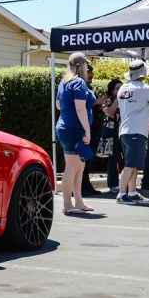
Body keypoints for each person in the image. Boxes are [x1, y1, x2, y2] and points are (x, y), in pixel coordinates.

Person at [114, 59, 149, 205]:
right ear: (143, 74)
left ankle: (132, 192)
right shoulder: (145, 88)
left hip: (125, 130)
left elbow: (141, 105)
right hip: (136, 131)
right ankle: (121, 194)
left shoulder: (123, 88)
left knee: (134, 163)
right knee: (131, 164)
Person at [55, 52, 97, 215]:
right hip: (74, 129)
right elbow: (80, 108)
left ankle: (78, 202)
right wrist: (87, 130)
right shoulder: (78, 82)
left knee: (79, 166)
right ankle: (67, 204)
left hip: (67, 127)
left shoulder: (64, 82)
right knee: (72, 167)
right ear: (82, 66)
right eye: (87, 65)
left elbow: (59, 105)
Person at [97, 79, 123, 194]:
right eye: (118, 88)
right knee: (113, 157)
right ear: (112, 89)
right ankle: (113, 184)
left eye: (121, 88)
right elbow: (108, 112)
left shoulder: (125, 98)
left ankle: (125, 183)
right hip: (111, 131)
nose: (120, 90)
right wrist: (117, 99)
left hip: (123, 130)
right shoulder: (107, 100)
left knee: (123, 157)